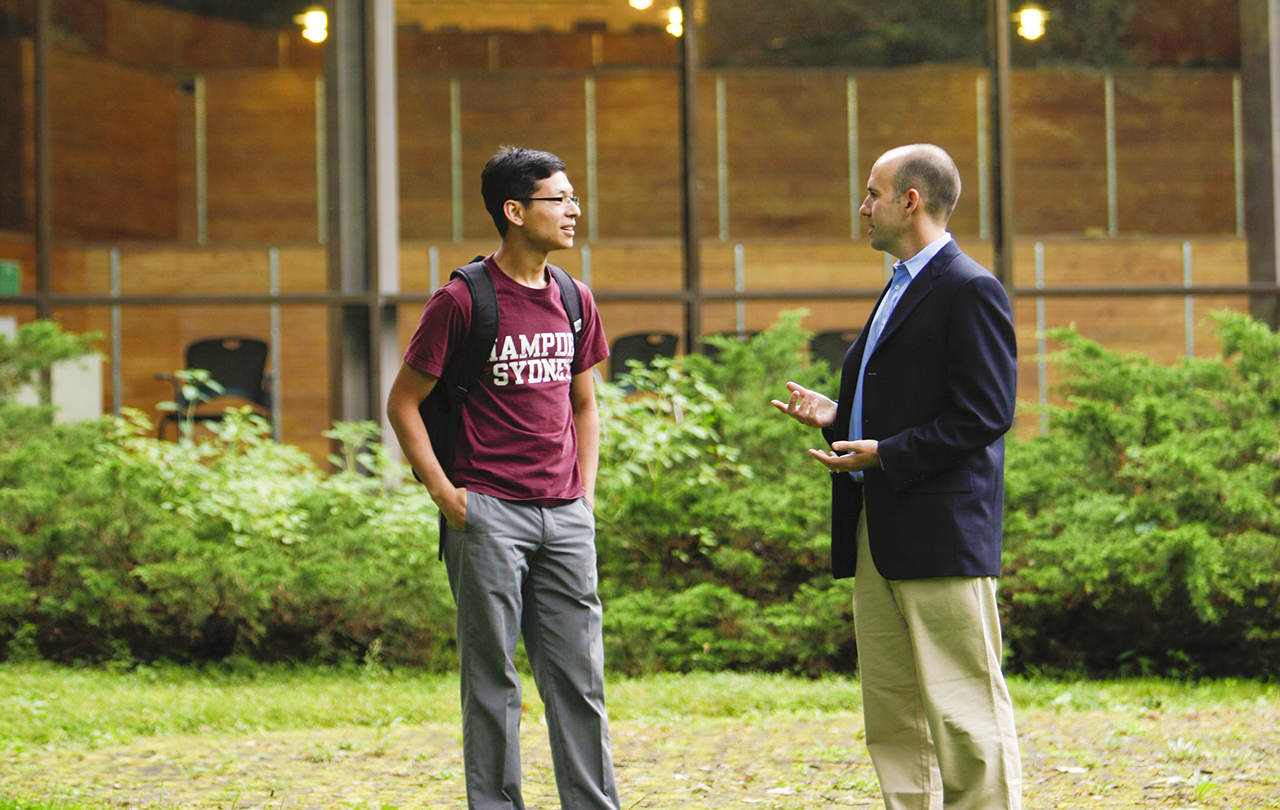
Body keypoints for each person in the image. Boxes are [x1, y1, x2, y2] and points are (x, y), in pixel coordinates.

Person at [772, 144, 1022, 810]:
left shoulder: (970, 287)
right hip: (875, 529)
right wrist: (835, 415)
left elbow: (987, 413)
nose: (863, 207)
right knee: (892, 715)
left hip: (939, 533)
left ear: (910, 200)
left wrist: (887, 454)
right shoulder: (899, 284)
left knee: (965, 708)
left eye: (872, 193)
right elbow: (903, 399)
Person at [386, 146, 620, 810]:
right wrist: (444, 493)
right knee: (493, 682)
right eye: (559, 199)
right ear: (514, 211)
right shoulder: (462, 300)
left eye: (575, 198)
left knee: (579, 681)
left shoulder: (575, 297)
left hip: (565, 512)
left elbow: (584, 403)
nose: (573, 210)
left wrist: (586, 491)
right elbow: (402, 402)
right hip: (488, 513)